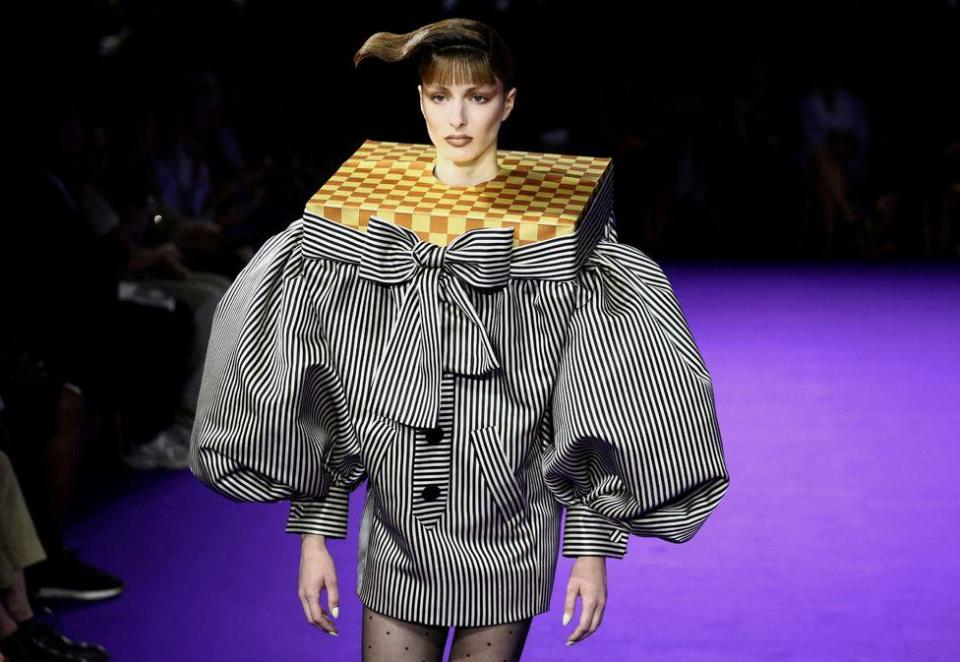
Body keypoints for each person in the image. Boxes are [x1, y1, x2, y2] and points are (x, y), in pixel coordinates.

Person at [189, 18, 731, 661]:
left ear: (509, 102)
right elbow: (323, 388)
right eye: (439, 97)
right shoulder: (363, 225)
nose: (458, 118)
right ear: (418, 101)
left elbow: (589, 399)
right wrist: (314, 537)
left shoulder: (554, 234)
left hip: (511, 538)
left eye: (477, 96)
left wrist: (590, 554)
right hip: (397, 536)